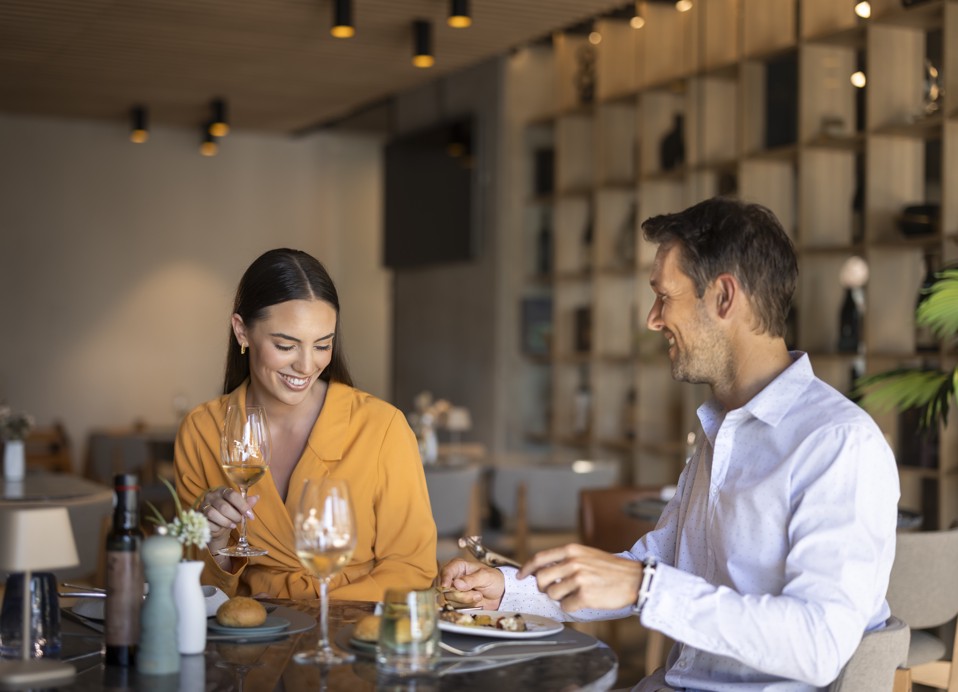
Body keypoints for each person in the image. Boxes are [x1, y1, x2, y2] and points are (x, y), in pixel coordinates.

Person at [441, 198, 900, 691]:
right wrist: (509, 592)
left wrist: (646, 588)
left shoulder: (837, 443)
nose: (653, 319)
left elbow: (819, 644)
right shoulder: (721, 430)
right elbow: (659, 564)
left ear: (724, 297)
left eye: (664, 296)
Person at [175, 248, 437, 601]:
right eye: (286, 345)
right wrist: (216, 543)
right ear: (242, 331)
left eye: (322, 345)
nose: (306, 366)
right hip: (250, 627)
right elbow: (193, 587)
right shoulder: (202, 431)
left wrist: (317, 617)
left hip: (353, 625)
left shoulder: (382, 427)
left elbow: (413, 569)